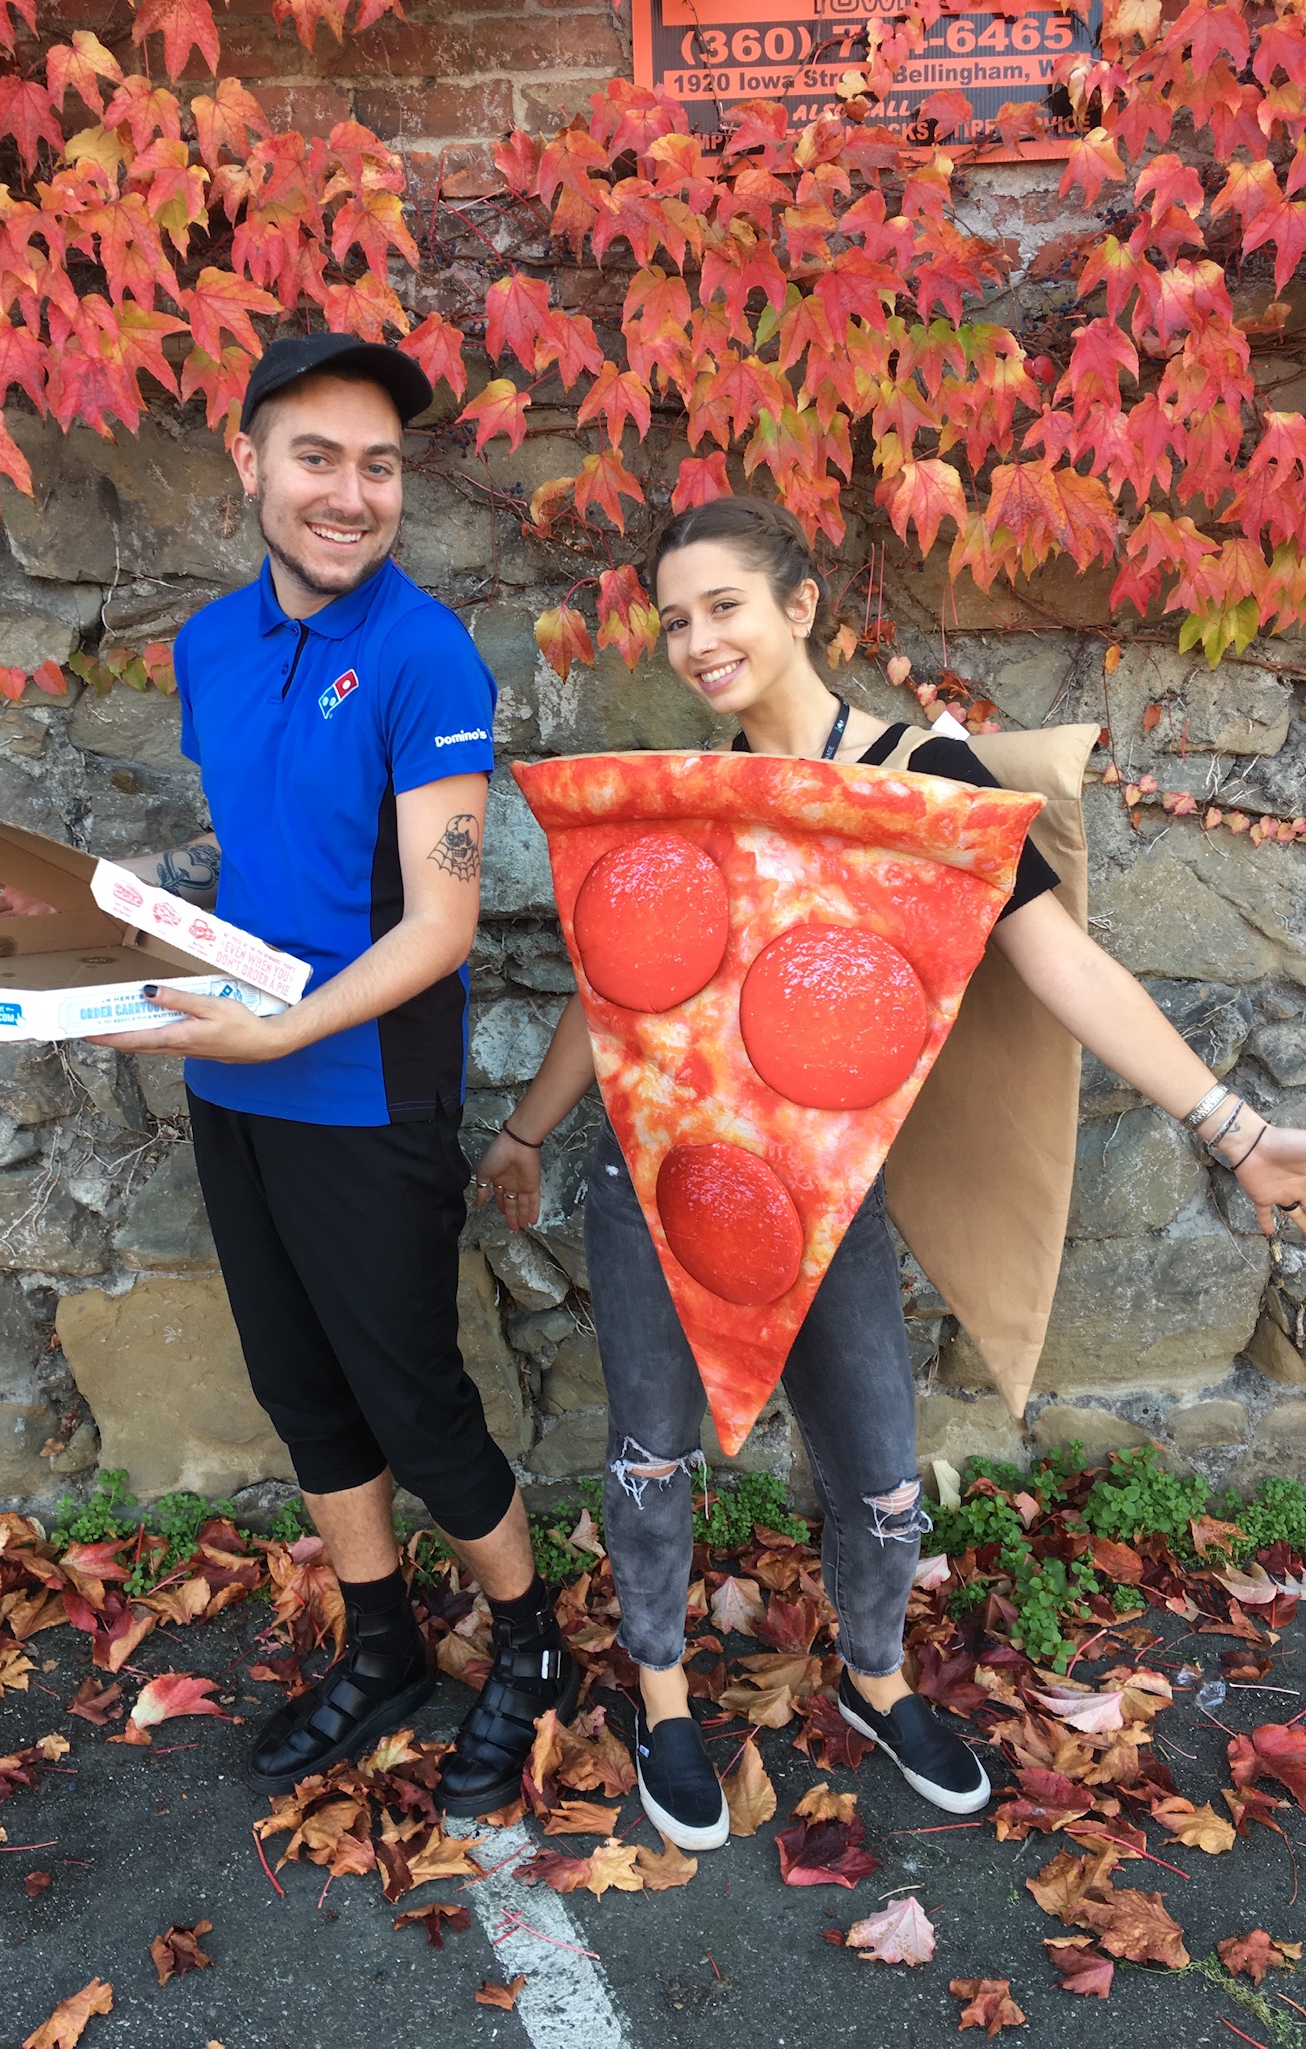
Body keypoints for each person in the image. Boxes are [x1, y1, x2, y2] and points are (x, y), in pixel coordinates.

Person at [475, 493, 1306, 1851]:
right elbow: (614, 995)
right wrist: (519, 1131)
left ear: (799, 607)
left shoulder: (934, 780)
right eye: (674, 619)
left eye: (723, 605)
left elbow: (1061, 966)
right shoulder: (687, 804)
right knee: (647, 1458)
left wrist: (1228, 1123)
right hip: (657, 1185)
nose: (696, 639)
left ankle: (872, 1678)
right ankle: (665, 1701)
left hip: (828, 1201)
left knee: (875, 1466)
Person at [0, 333, 576, 1817]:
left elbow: (436, 924)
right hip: (232, 1077)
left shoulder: (424, 652)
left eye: (377, 466)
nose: (350, 494)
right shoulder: (211, 645)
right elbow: (237, 858)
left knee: (416, 1405)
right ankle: (381, 1651)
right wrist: (95, 908)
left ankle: (535, 1649)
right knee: (306, 1394)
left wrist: (279, 1028)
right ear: (250, 463)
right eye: (317, 457)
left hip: (361, 1087)